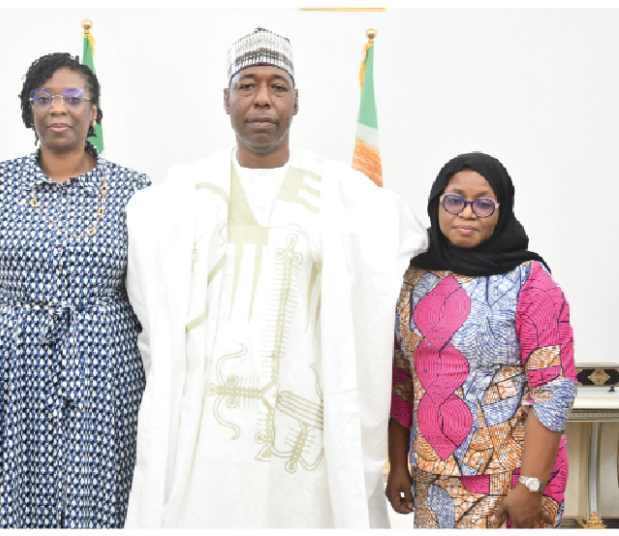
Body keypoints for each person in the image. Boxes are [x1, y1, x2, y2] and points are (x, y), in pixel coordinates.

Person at [123, 27, 428, 528]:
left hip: (303, 411)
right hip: (209, 422)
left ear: (296, 101)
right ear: (226, 100)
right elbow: (142, 256)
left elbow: (409, 235)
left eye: (277, 86)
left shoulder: (341, 193)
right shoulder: (181, 195)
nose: (262, 99)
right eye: (247, 86)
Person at [0, 52, 149, 528]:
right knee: (10, 497)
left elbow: (150, 305)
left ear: (94, 111)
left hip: (105, 372)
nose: (58, 108)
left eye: (73, 97)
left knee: (99, 493)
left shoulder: (135, 190)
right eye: (44, 98)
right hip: (10, 369)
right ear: (30, 111)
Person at [386, 152, 577, 529]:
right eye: (454, 199)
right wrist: (397, 466)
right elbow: (403, 381)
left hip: (513, 481)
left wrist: (532, 485)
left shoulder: (531, 282)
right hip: (432, 477)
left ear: (501, 211)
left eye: (483, 203)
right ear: (436, 203)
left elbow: (554, 391)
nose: (467, 212)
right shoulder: (411, 278)